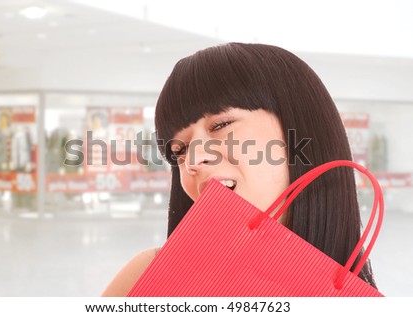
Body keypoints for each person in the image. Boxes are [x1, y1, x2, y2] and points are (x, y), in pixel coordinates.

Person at [102, 42, 377, 296]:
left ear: (300, 130)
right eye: (179, 150)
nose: (193, 159)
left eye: (221, 125)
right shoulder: (145, 276)